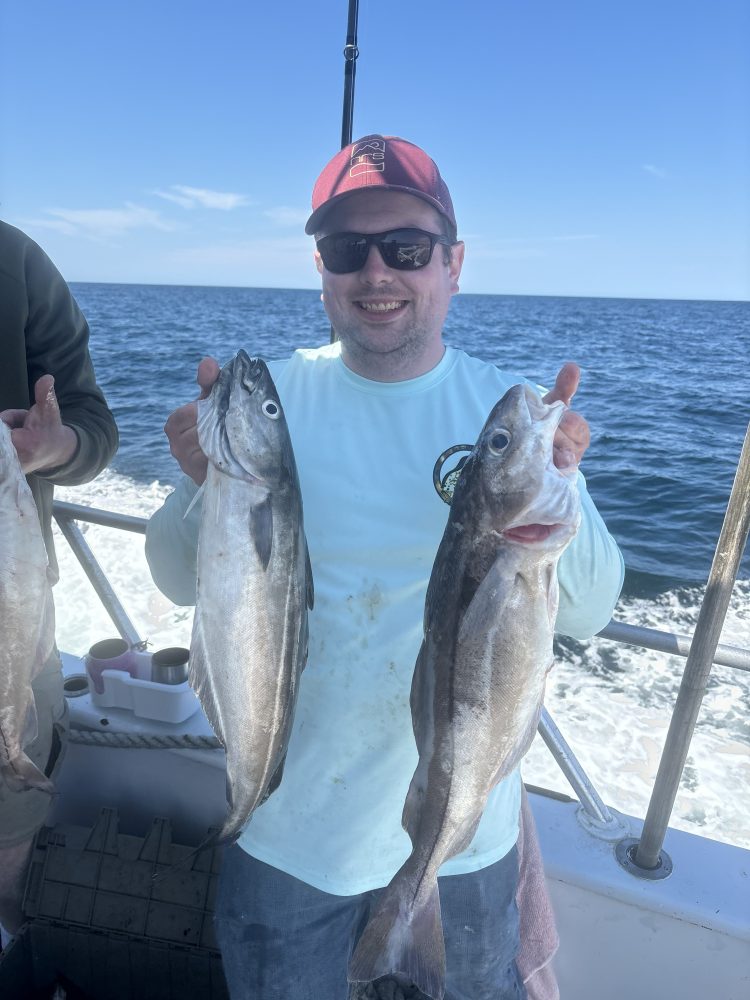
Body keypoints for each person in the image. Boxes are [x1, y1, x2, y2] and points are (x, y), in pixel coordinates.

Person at [145, 135, 624, 1000]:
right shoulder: (271, 403)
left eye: (406, 248)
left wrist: (564, 487)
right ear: (320, 268)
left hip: (465, 839)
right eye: (345, 249)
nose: (376, 274)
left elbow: (586, 609)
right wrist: (200, 489)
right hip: (288, 833)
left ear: (453, 264)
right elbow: (182, 583)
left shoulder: (507, 416)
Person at [0, 221, 119, 936]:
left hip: (16, 622)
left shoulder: (14, 260)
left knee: (12, 826)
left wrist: (55, 445)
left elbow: (94, 427)